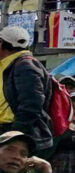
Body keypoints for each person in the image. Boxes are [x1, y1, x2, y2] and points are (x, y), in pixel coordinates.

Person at [0, 26, 54, 158]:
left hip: (17, 134)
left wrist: (14, 136)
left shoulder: (24, 66)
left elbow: (31, 105)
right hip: (10, 132)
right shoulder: (9, 65)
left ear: (1, 43)